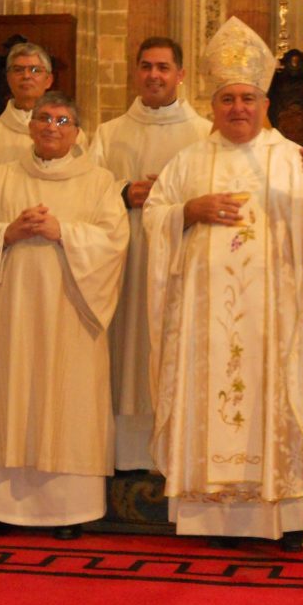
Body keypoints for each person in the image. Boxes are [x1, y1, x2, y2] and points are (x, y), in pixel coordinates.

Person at [142, 17, 303, 548]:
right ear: (213, 106)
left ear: (266, 105)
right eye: (228, 98)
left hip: (274, 323)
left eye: (248, 98)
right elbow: (155, 218)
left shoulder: (292, 161)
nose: (238, 108)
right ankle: (208, 515)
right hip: (202, 325)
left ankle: (276, 512)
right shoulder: (188, 162)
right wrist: (189, 209)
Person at [0, 92, 129, 540]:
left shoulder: (98, 181)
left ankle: (70, 510)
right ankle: (4, 507)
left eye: (63, 120)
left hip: (72, 312)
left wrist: (64, 233)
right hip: (13, 310)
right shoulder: (0, 179)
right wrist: (7, 233)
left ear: (76, 132)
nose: (52, 126)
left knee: (66, 400)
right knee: (11, 392)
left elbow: (114, 242)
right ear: (30, 126)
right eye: (44, 118)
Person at [89, 37, 211, 473]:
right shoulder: (108, 134)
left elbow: (215, 191)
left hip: (179, 258)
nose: (154, 75)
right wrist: (124, 192)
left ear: (181, 75)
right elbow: (87, 188)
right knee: (127, 351)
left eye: (163, 68)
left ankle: (176, 453)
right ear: (135, 73)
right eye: (146, 67)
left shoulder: (203, 134)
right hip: (124, 258)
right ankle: (126, 456)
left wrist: (175, 197)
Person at [0, 41, 88, 173]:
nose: (26, 76)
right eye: (18, 70)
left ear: (48, 80)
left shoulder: (69, 132)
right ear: (8, 78)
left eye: (35, 70)